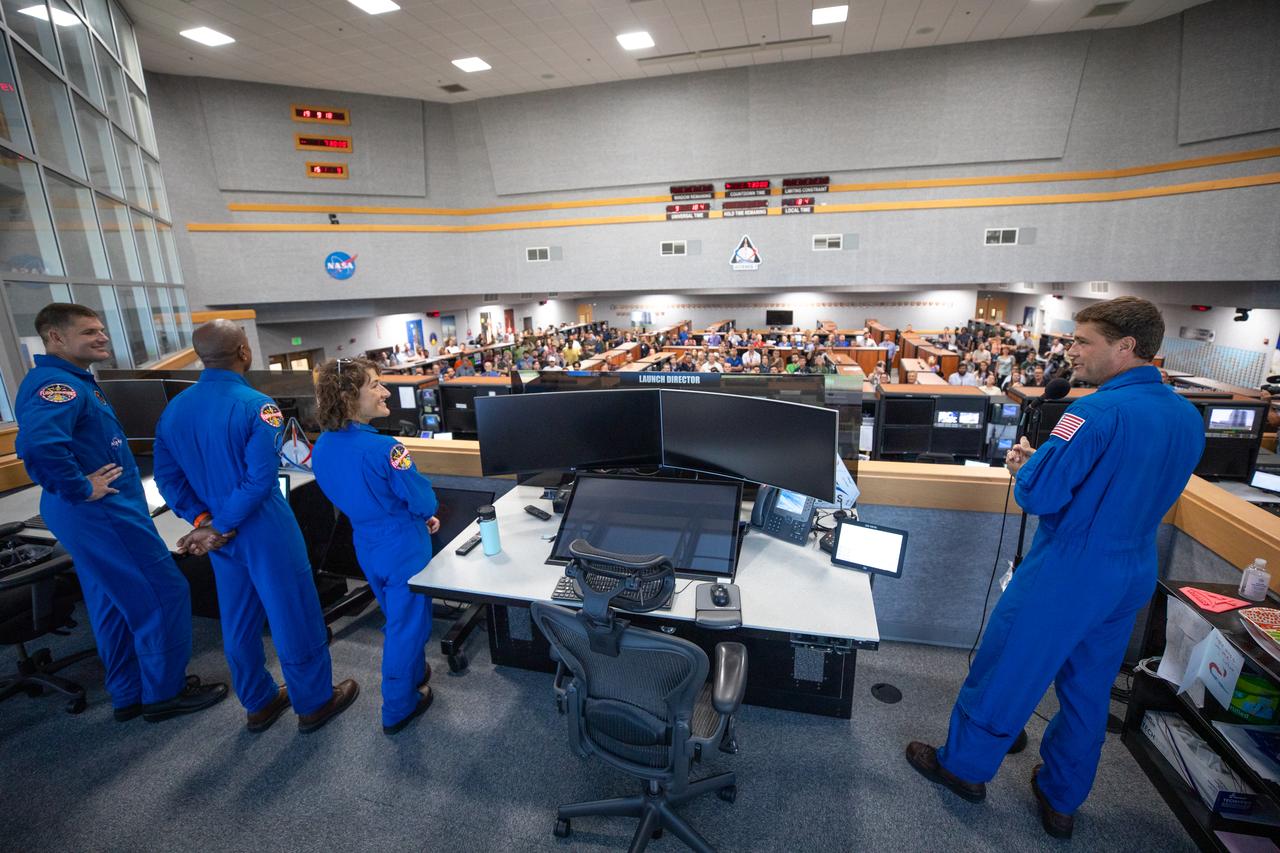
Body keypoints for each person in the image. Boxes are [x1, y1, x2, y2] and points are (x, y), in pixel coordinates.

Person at [906, 297, 1204, 839]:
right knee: (1088, 692)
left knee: (1005, 673)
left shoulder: (1091, 412)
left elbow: (1041, 495)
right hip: (1132, 569)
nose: (1071, 351)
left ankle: (963, 769)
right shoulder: (1185, 415)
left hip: (1069, 570)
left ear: (1126, 347)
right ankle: (1062, 797)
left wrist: (1026, 465)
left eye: (1082, 341)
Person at [14, 303, 227, 722]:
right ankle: (164, 693)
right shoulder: (59, 386)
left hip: (89, 511)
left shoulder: (71, 380)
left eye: (101, 330)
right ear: (55, 338)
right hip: (100, 511)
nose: (102, 337)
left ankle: (129, 691)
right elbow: (39, 447)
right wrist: (80, 485)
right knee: (163, 592)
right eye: (89, 331)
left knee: (110, 600)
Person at [153, 321, 358, 733]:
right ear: (244, 352)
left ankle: (259, 702)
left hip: (219, 539)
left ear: (200, 356)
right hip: (264, 530)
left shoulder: (173, 409)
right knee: (294, 616)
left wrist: (204, 523)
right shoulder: (257, 405)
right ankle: (315, 702)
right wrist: (222, 523)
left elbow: (167, 478)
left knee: (240, 621)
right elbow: (260, 479)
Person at [311, 358, 442, 734]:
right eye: (375, 385)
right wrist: (424, 514)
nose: (385, 392)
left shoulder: (323, 447)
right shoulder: (386, 448)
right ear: (351, 397)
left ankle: (413, 671)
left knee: (396, 616)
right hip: (403, 545)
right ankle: (398, 706)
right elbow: (421, 500)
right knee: (407, 627)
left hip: (365, 542)